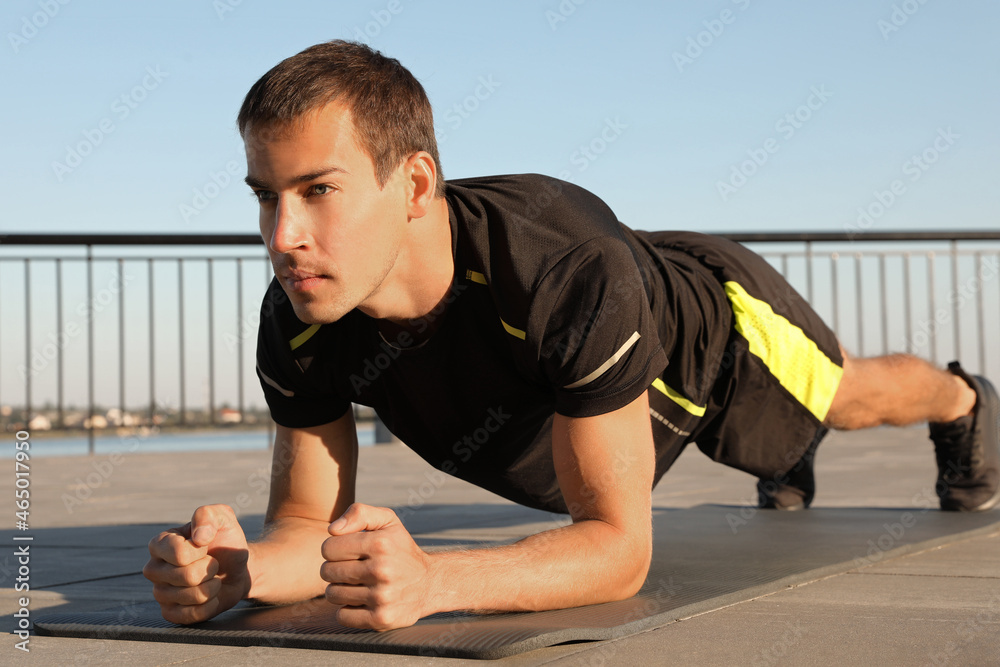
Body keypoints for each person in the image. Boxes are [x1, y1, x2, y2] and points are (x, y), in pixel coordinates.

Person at [143, 40, 1000, 632]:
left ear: (412, 183)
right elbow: (302, 524)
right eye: (264, 195)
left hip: (713, 332)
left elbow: (619, 550)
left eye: (317, 190)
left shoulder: (559, 269)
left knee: (844, 397)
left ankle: (964, 401)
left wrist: (437, 579)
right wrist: (237, 571)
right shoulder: (300, 318)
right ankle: (781, 458)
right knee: (778, 441)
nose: (281, 234)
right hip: (605, 337)